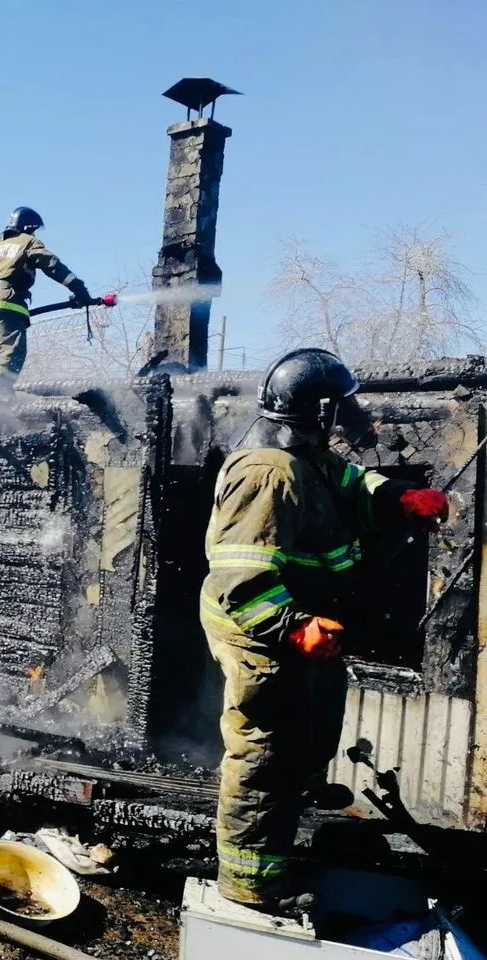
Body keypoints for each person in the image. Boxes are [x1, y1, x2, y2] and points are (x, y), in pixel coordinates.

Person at [200, 348, 448, 911]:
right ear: (320, 411)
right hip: (262, 630)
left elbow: (352, 483)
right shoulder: (269, 471)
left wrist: (401, 498)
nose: (349, 416)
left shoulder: (307, 454)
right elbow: (240, 578)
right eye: (342, 406)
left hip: (303, 628)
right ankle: (250, 886)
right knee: (264, 752)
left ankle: (289, 815)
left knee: (305, 734)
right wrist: (293, 628)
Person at [0, 206, 92, 391]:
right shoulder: (27, 242)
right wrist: (79, 289)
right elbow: (52, 265)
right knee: (11, 354)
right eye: (33, 229)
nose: (34, 233)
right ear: (27, 227)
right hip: (9, 305)